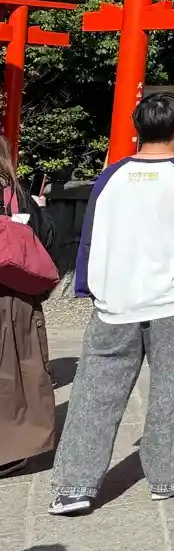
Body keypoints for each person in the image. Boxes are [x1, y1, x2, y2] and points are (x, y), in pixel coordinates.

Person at [48, 92, 174, 515]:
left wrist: (87, 286)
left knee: (94, 393)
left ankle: (74, 486)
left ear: (138, 129)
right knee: (171, 391)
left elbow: (92, 236)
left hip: (116, 299)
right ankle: (166, 477)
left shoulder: (111, 177)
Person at [0, 140, 57, 474]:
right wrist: (40, 209)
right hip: (12, 294)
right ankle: (11, 447)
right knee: (15, 368)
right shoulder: (15, 195)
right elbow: (45, 240)